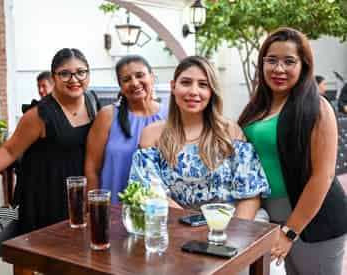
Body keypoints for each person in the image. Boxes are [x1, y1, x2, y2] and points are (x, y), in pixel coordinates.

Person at [0, 48, 100, 233]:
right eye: (65, 74)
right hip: (44, 194)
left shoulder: (92, 101)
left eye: (81, 72)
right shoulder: (40, 114)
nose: (74, 79)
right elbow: (10, 150)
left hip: (77, 190)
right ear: (54, 77)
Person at [239, 27, 347, 275]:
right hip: (269, 217)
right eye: (271, 60)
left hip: (314, 223)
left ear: (304, 65)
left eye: (289, 61)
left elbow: (323, 176)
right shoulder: (257, 107)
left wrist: (290, 231)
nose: (279, 69)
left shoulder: (317, 107)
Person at [128, 56, 270, 220]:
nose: (193, 91)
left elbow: (250, 195)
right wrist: (191, 229)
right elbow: (151, 193)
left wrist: (231, 237)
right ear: (173, 86)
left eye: (203, 85)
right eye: (186, 82)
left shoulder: (230, 131)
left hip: (232, 224)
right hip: (175, 224)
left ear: (212, 91)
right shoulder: (152, 135)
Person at [85, 55, 167, 203]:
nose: (135, 83)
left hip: (157, 211)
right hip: (112, 210)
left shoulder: (170, 117)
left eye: (140, 75)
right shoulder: (107, 116)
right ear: (120, 86)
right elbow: (92, 169)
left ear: (152, 77)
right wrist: (94, 208)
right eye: (126, 79)